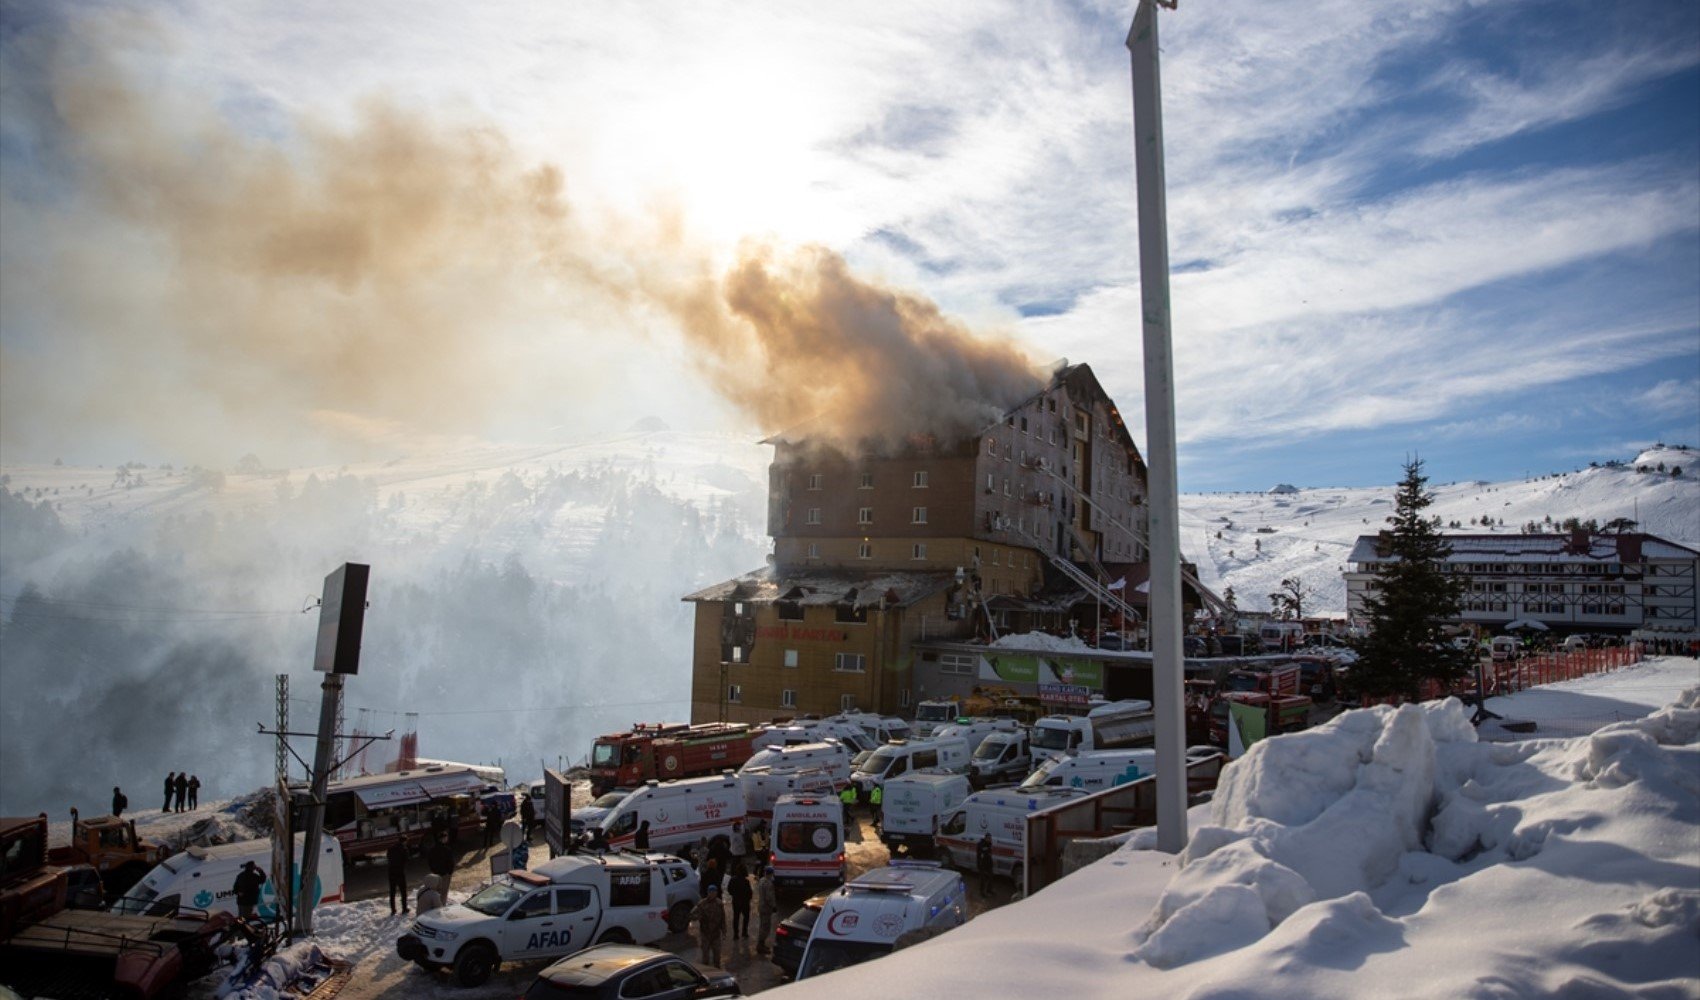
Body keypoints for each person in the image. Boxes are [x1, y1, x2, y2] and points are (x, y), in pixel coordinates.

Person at [692, 883, 726, 967]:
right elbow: (692, 915)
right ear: (708, 893)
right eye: (711, 892)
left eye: (714, 892)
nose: (712, 894)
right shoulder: (702, 904)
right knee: (705, 956)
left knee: (717, 956)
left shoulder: (719, 903)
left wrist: (724, 931)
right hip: (705, 934)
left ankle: (717, 971)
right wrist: (699, 916)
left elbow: (723, 919)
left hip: (716, 934)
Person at [726, 859, 752, 941]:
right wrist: (748, 898)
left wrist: (734, 895)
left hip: (736, 901)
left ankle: (736, 934)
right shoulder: (746, 881)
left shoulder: (733, 879)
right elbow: (749, 892)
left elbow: (729, 889)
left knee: (736, 917)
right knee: (746, 917)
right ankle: (744, 932)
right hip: (745, 902)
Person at [754, 865, 776, 956]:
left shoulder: (762, 881)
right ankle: (760, 945)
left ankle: (761, 944)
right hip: (766, 908)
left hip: (761, 906)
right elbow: (769, 897)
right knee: (765, 927)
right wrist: (773, 906)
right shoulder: (768, 883)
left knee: (763, 926)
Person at [386, 837, 411, 915]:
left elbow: (388, 857)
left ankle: (393, 910)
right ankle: (404, 908)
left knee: (392, 891)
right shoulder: (404, 849)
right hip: (400, 872)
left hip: (391, 872)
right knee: (403, 891)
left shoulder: (391, 848)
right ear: (404, 841)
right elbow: (406, 859)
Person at [976, 833, 995, 899]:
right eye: (989, 838)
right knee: (983, 880)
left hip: (988, 864)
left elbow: (989, 854)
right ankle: (982, 892)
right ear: (986, 838)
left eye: (990, 838)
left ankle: (989, 890)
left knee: (991, 877)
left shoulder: (989, 844)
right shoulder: (981, 844)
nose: (990, 840)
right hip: (982, 864)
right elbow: (982, 854)